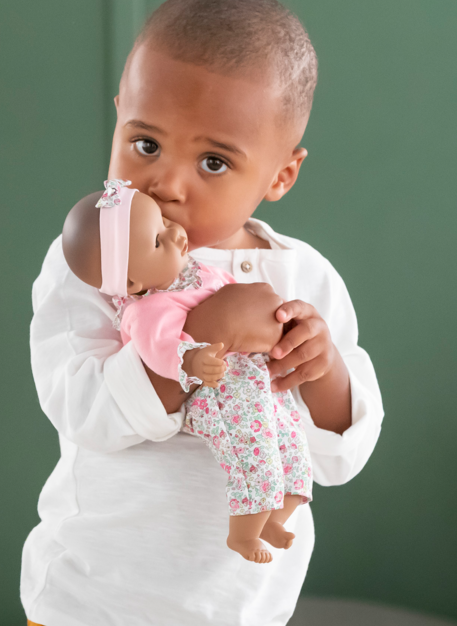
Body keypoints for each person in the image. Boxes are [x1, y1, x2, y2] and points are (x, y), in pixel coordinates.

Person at [22, 0, 384, 626]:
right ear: (118, 117)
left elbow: (339, 458)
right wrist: (195, 340)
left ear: (281, 173)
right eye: (145, 143)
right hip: (97, 612)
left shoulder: (301, 277)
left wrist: (324, 368)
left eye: (213, 161)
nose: (167, 183)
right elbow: (80, 406)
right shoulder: (96, 258)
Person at [61, 181, 313, 564]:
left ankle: (275, 519)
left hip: (251, 375)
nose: (176, 233)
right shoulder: (146, 310)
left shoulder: (195, 271)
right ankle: (243, 534)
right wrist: (191, 361)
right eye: (158, 240)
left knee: (291, 442)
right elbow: (159, 350)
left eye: (164, 222)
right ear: (130, 283)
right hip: (216, 392)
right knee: (253, 453)